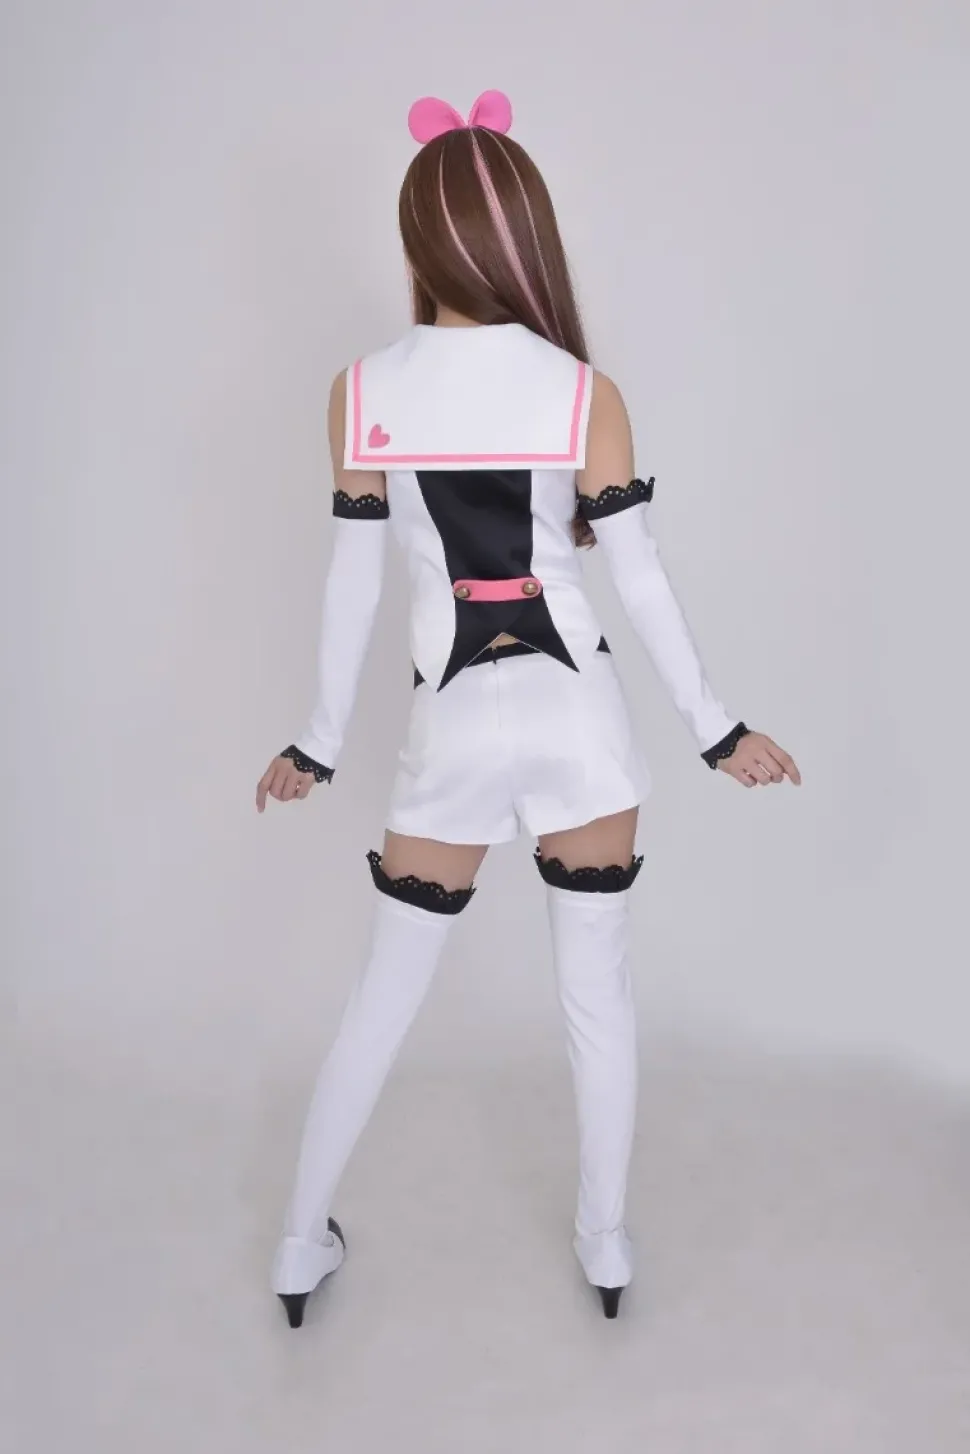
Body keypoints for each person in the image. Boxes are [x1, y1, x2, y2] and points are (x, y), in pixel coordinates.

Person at [256, 89, 800, 1327]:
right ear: (527, 237)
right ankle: (603, 1242)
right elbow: (640, 576)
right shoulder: (582, 391)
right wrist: (716, 728)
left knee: (381, 998)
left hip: (447, 728)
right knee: (596, 996)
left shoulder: (359, 390)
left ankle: (296, 1243)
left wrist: (318, 742)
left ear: (416, 239)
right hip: (579, 719)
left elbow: (352, 581)